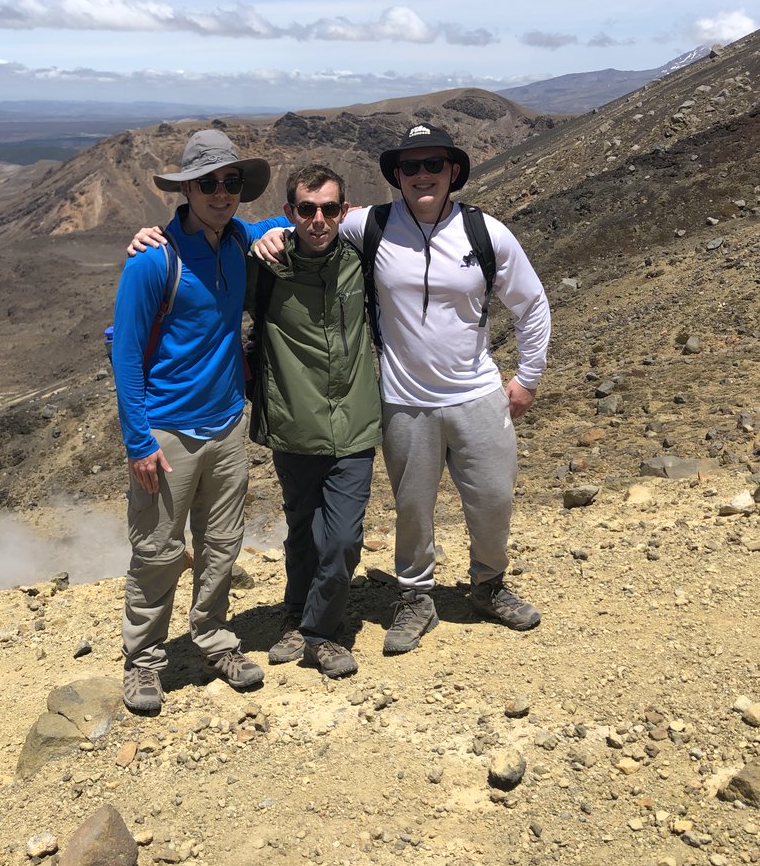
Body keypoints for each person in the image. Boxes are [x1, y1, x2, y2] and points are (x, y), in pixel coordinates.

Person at [253, 123, 551, 655]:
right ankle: (415, 597)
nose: (421, 175)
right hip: (403, 400)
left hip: (478, 393)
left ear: (453, 171)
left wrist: (528, 377)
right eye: (410, 167)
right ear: (396, 176)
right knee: (412, 510)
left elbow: (531, 303)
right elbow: (313, 218)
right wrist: (268, 231)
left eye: (432, 165)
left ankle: (489, 585)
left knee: (493, 500)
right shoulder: (372, 225)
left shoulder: (487, 234)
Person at [111, 129, 288, 714]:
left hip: (227, 425)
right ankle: (143, 660)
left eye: (230, 181)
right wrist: (138, 440)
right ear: (186, 189)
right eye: (207, 182)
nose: (220, 191)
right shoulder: (152, 259)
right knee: (159, 550)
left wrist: (351, 215)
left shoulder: (238, 238)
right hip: (165, 431)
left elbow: (278, 228)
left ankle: (213, 638)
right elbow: (126, 355)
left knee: (220, 544)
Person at [247, 165, 381, 678]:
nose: (318, 219)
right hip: (293, 422)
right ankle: (294, 613)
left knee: (343, 538)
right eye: (307, 209)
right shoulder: (266, 267)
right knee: (302, 529)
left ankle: (319, 633)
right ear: (290, 213)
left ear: (344, 212)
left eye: (329, 209)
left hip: (353, 423)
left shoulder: (361, 262)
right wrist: (153, 238)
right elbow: (206, 263)